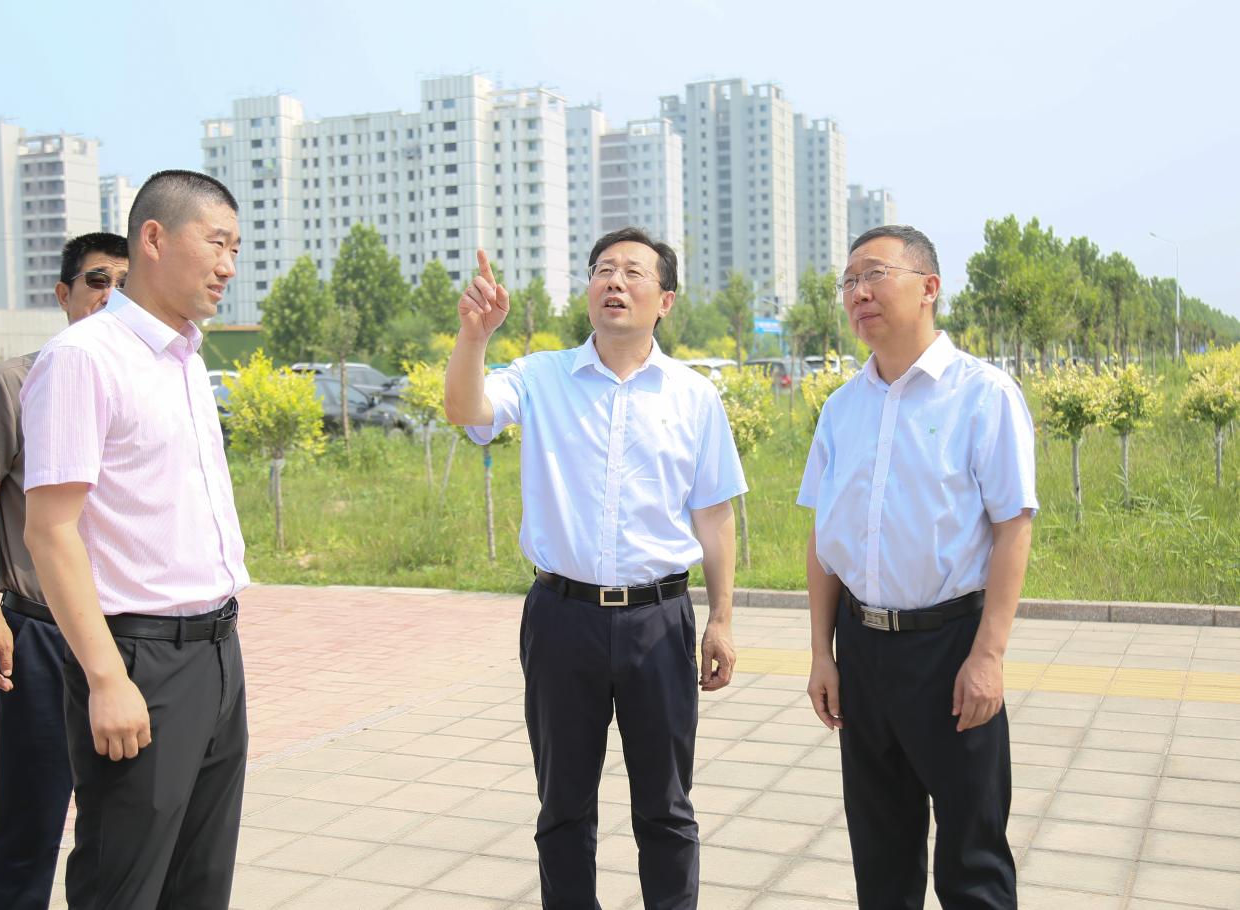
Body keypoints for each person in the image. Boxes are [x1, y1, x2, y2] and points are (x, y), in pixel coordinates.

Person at [444, 228, 746, 909]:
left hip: (659, 621)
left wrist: (722, 619)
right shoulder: (541, 376)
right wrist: (473, 337)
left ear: (665, 300)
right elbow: (467, 410)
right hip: (562, 618)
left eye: (634, 272)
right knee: (563, 806)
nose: (615, 281)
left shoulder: (693, 396)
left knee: (666, 806)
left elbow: (714, 516)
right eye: (603, 269)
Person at [21, 169, 248, 909]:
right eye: (216, 243)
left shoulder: (186, 358)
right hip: (139, 659)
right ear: (153, 237)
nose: (229, 266)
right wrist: (106, 679)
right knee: (124, 886)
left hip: (217, 651)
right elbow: (50, 530)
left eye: (236, 249)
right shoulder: (85, 357)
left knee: (200, 884)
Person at [799, 224, 1037, 909]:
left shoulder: (983, 395)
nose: (858, 293)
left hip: (950, 649)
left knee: (972, 862)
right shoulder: (842, 408)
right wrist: (822, 653)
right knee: (881, 860)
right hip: (862, 650)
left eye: (874, 274)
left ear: (929, 287)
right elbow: (824, 538)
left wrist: (988, 656)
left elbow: (1013, 527)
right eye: (849, 282)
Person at [0, 232, 128, 910]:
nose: (110, 295)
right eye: (97, 280)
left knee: (124, 826)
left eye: (124, 283)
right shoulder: (14, 382)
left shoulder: (143, 385)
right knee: (28, 827)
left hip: (130, 633)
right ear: (64, 294)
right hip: (41, 634)